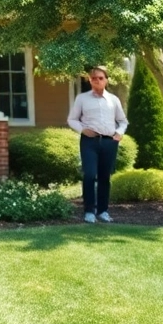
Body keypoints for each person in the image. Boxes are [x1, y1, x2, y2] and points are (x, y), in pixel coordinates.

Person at [66, 65, 127, 223]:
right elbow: (72, 119)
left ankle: (102, 211)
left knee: (104, 177)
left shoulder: (113, 100)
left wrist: (119, 133)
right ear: (90, 80)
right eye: (94, 78)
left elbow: (122, 121)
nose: (97, 81)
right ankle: (89, 212)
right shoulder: (82, 99)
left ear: (106, 80)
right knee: (89, 174)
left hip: (109, 142)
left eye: (101, 78)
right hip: (89, 142)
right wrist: (82, 130)